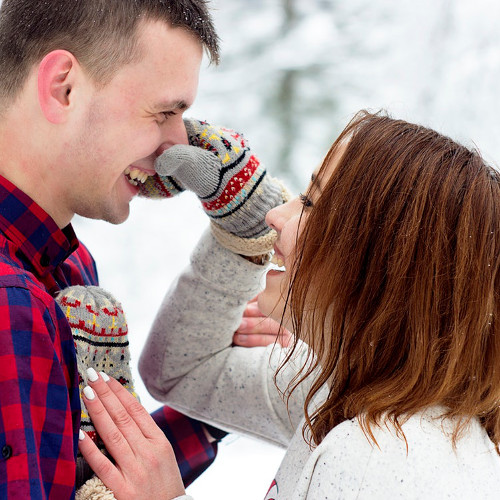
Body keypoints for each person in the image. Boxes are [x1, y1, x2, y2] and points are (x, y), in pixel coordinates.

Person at [80, 111, 500, 498]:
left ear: (377, 260)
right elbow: (182, 371)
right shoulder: (342, 387)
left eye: (312, 203)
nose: (276, 215)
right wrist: (239, 225)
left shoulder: (381, 458)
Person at [0, 1, 265, 498]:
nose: (176, 146)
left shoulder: (64, 263)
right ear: (64, 88)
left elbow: (73, 473)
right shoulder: (11, 304)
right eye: (165, 112)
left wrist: (212, 394)